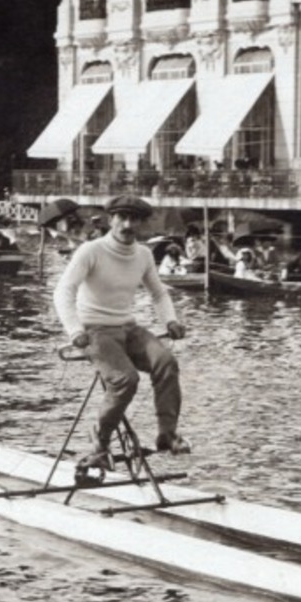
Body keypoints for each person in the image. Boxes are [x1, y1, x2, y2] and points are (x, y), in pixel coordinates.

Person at [54, 195, 188, 468]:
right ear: (110, 219)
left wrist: (170, 321)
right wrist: (74, 330)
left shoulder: (144, 255)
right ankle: (100, 444)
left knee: (166, 363)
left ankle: (167, 434)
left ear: (141, 223)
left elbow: (159, 294)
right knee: (125, 380)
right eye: (121, 218)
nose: (127, 225)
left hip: (127, 327)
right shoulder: (90, 251)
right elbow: (63, 291)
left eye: (134, 219)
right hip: (94, 330)